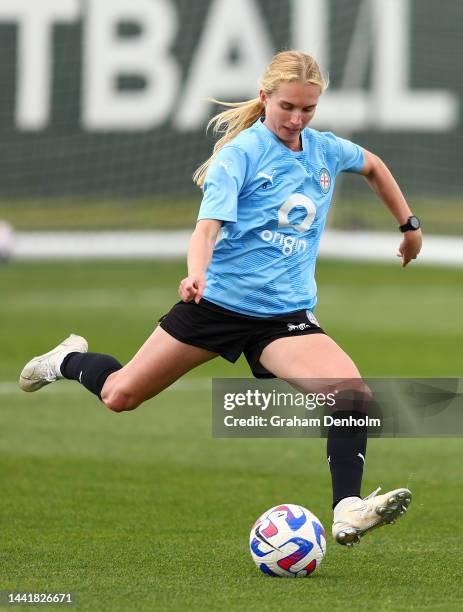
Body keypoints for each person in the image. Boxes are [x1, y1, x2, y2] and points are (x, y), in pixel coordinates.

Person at [19, 50, 420, 547]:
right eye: (288, 107)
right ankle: (67, 360)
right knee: (120, 395)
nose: (297, 120)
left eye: (308, 109)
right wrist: (195, 275)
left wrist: (409, 226)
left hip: (283, 318)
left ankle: (347, 509)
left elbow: (374, 166)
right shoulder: (242, 155)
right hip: (214, 307)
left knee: (353, 398)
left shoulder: (324, 150)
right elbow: (206, 230)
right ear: (264, 98)